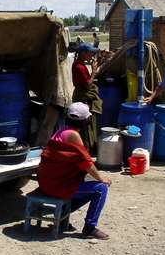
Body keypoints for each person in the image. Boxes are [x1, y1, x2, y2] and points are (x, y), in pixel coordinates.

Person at [38, 102, 111, 240]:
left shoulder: (61, 131)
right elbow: (86, 163)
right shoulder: (73, 136)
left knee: (88, 187)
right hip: (57, 186)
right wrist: (101, 179)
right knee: (100, 189)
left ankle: (61, 217)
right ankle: (89, 227)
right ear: (83, 121)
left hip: (47, 183)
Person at [72, 42, 103, 152]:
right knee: (86, 125)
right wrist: (94, 71)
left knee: (87, 125)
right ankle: (85, 149)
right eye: (90, 53)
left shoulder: (79, 64)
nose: (91, 56)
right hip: (82, 98)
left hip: (80, 96)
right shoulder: (79, 67)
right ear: (83, 53)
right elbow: (88, 84)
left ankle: (86, 148)